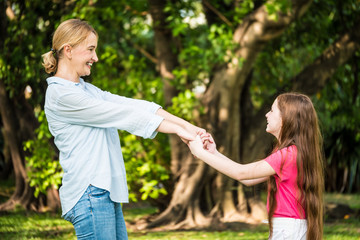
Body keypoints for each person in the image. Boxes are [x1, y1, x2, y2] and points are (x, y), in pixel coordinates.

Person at [41, 19, 205, 239]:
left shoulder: (86, 90)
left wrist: (189, 127)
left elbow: (134, 105)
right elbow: (125, 115)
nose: (95, 58)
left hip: (102, 192)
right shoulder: (61, 95)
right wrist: (178, 131)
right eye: (90, 50)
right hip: (89, 193)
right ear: (68, 50)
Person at [188, 93, 324, 240]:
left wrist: (200, 153)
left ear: (285, 118)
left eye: (272, 111)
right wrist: (213, 153)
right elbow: (247, 179)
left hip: (288, 230)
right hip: (290, 228)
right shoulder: (293, 153)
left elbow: (242, 173)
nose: (267, 114)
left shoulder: (287, 155)